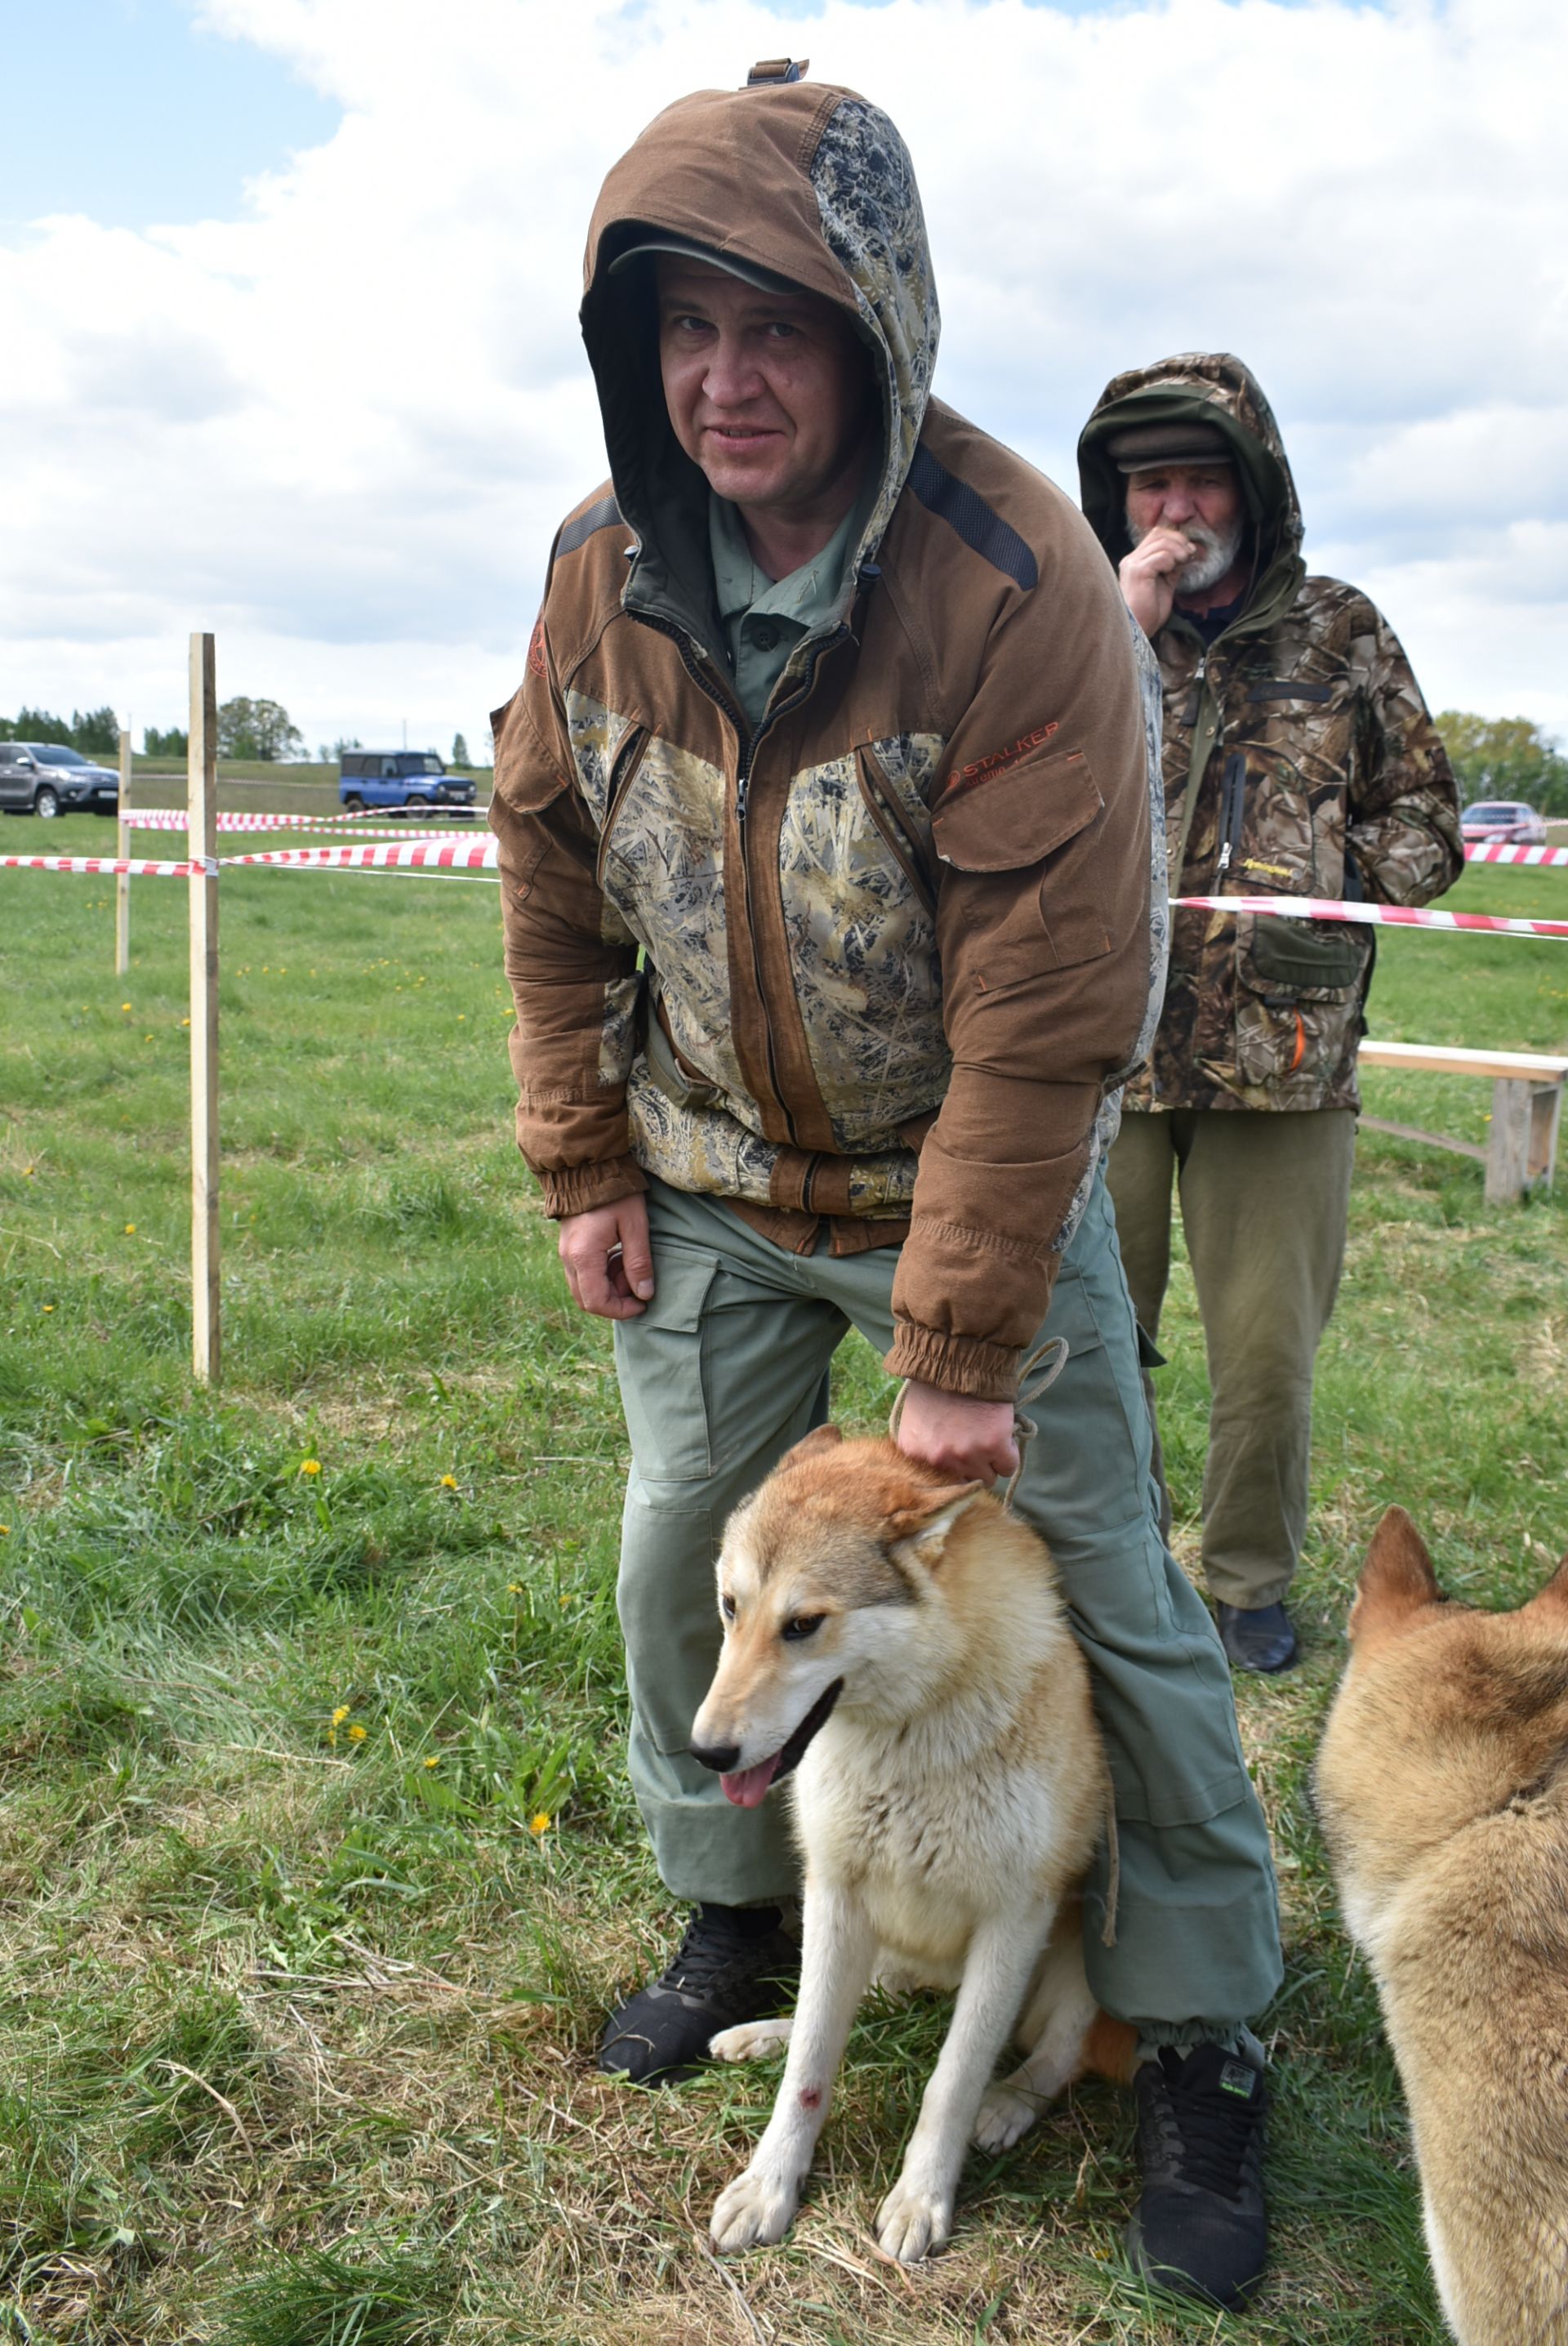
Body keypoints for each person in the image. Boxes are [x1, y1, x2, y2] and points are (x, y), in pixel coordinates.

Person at [492, 70, 1282, 2307]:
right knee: (688, 1546)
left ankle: (1205, 2018)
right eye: (681, 332)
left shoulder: (1017, 585)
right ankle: (731, 1892)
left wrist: (952, 1353)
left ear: (879, 332)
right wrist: (581, 1155)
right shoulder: (592, 572)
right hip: (718, 1160)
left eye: (780, 328)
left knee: (1116, 1589)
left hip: (973, 1173)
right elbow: (552, 888)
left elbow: (1048, 1011)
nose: (727, 381)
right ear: (633, 355)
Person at [1077, 357, 1463, 1675]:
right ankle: (1107, 1556)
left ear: (1252, 488)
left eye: (1198, 477)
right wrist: (1117, 621)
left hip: (1282, 1058)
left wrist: (1337, 894)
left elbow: (1429, 816)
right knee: (1083, 1335)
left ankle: (1247, 1582)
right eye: (1149, 481)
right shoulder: (1071, 619)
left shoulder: (1342, 631)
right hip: (1095, 1050)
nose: (1174, 506)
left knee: (1264, 1352)